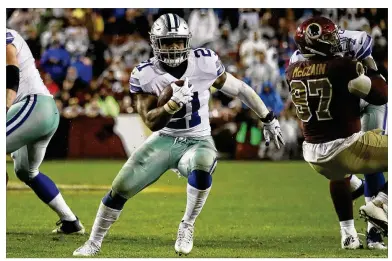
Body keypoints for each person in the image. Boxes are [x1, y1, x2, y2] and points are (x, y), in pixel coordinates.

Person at [73, 13, 285, 257]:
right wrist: (171, 106)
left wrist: (267, 117)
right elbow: (151, 121)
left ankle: (187, 225)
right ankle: (94, 242)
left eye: (178, 41)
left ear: (187, 41)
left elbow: (240, 89)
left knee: (203, 163)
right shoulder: (146, 73)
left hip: (198, 139)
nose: (173, 47)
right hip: (165, 139)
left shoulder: (204, 62)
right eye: (167, 42)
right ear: (155, 44)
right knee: (120, 187)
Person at [289, 16, 388, 250]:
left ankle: (348, 235)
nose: (335, 41)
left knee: (340, 175)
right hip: (344, 146)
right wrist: (370, 63)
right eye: (330, 38)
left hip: (314, 154)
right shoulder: (342, 67)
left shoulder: (292, 69)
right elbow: (381, 94)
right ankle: (382, 203)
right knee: (371, 153)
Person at [6, 28, 84, 234]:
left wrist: (5, 106)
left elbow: (11, 72)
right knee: (26, 171)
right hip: (39, 112)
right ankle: (70, 222)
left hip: (34, 106)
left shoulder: (5, 35)